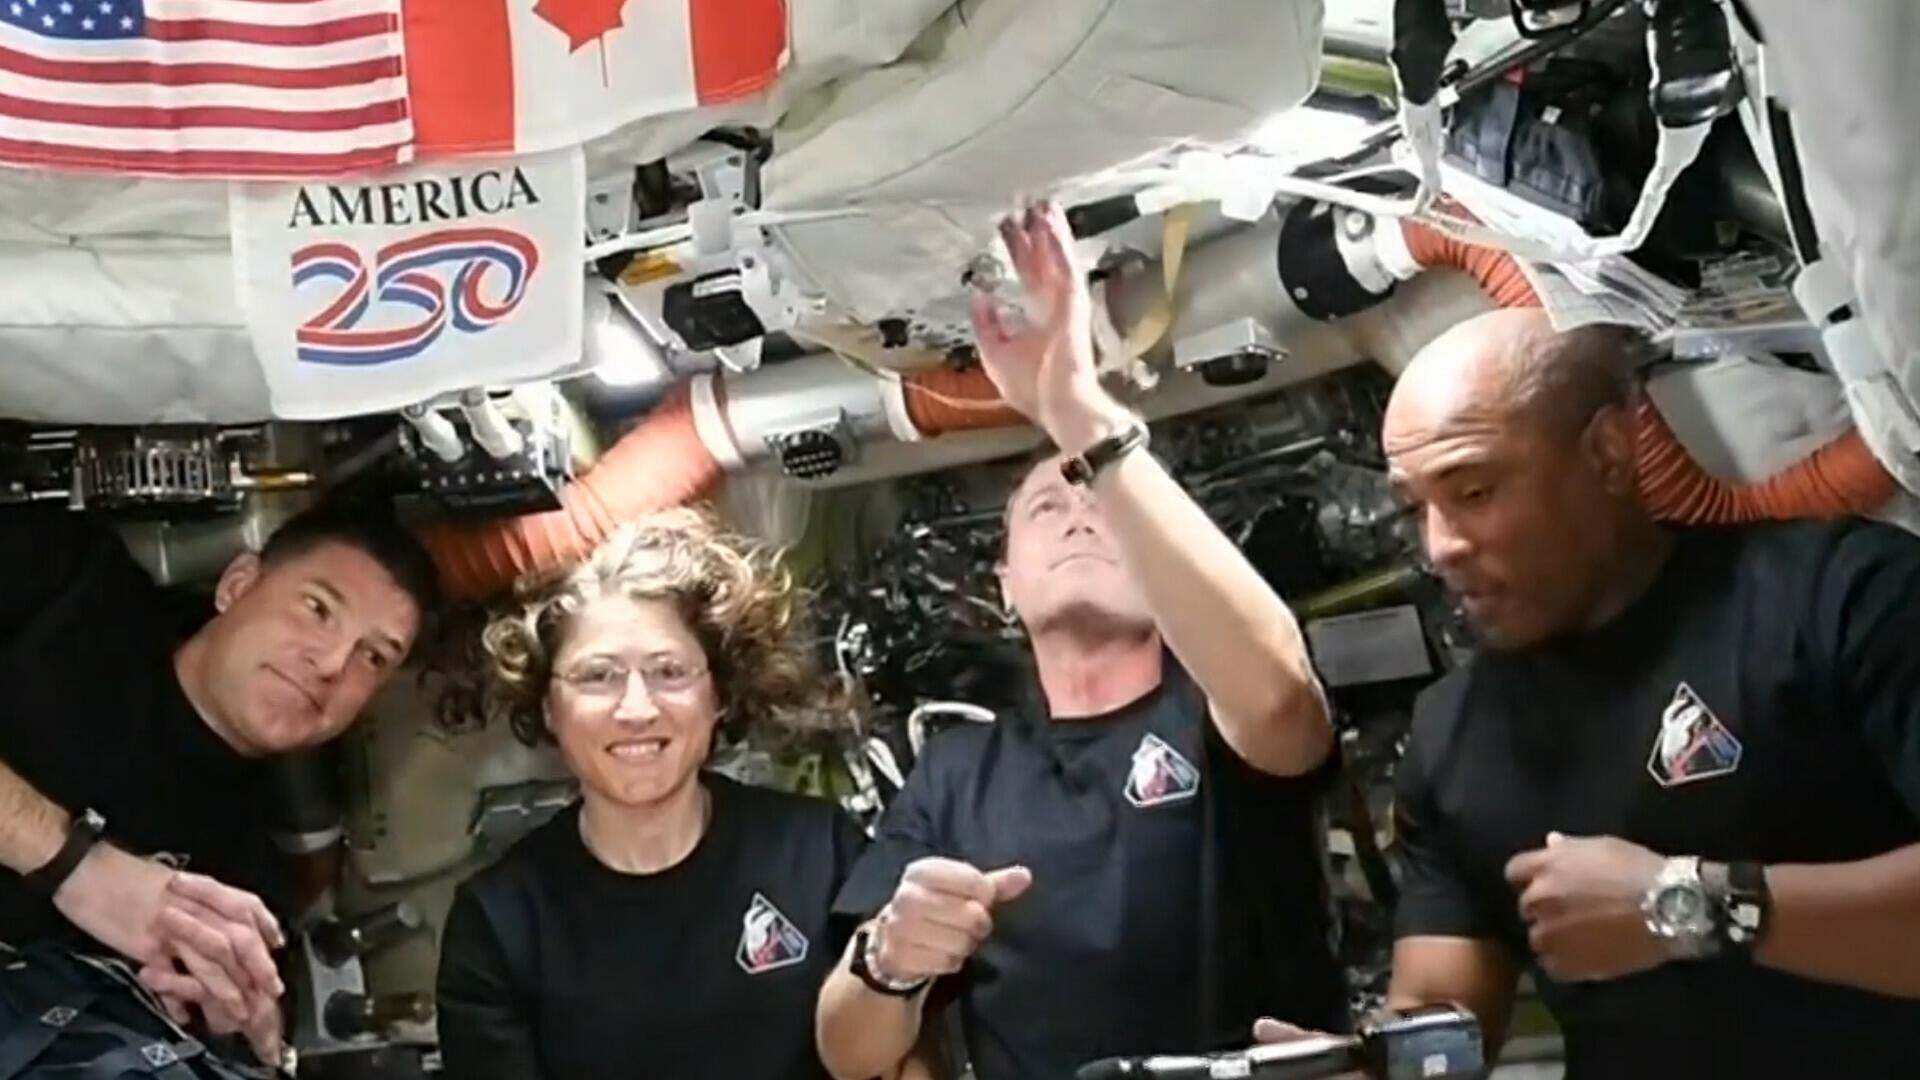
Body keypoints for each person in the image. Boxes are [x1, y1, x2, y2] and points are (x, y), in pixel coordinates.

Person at [1265, 307, 1920, 1076]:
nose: (1439, 547)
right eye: (1416, 508)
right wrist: (1364, 1068)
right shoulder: (1453, 735)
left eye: (1473, 491)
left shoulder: (1841, 598)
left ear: (1607, 452)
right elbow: (1440, 1022)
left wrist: (1690, 903)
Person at [815, 203, 1344, 1080]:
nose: (1078, 511)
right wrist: (888, 961)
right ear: (1006, 586)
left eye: (1099, 497)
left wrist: (1077, 409)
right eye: (1045, 506)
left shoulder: (1218, 716)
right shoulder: (957, 774)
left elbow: (1281, 696)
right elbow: (848, 1050)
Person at [0, 499, 438, 1067]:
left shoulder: (250, 885)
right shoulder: (65, 581)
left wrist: (238, 1034)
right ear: (237, 585)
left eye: (373, 657)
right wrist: (77, 867)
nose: (334, 663)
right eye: (317, 608)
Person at [435, 509, 868, 1080]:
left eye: (669, 671)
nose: (637, 709)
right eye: (598, 676)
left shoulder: (821, 853)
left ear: (718, 694)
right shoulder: (499, 922)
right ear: (549, 708)